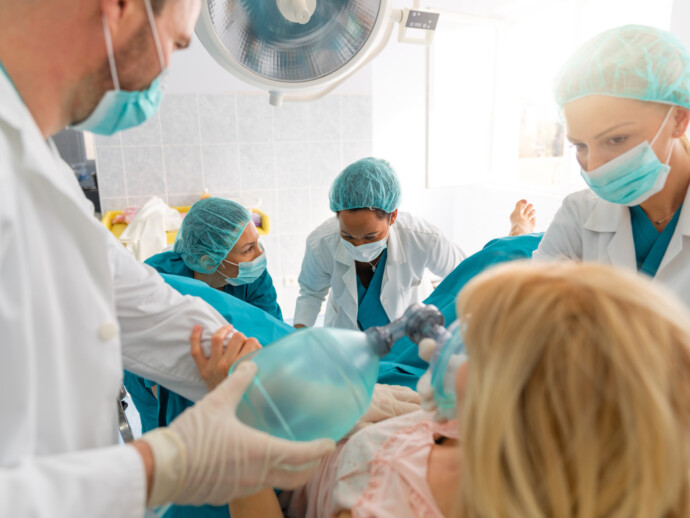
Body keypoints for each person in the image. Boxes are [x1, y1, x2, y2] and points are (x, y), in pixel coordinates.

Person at [0, 1, 336, 515]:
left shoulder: (38, 162)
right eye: (178, 44)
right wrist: (163, 465)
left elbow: (148, 311)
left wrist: (318, 390)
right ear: (120, 8)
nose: (167, 70)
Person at [229, 261, 690, 518]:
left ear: (523, 400)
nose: (456, 347)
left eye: (480, 345)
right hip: (367, 414)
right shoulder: (514, 439)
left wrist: (239, 430)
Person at [125, 197, 284, 518]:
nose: (259, 255)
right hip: (157, 379)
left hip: (232, 369)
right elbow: (143, 345)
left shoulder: (252, 278)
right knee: (174, 444)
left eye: (257, 243)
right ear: (208, 259)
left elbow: (271, 334)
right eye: (248, 250)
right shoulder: (159, 278)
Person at [534, 24, 690, 307]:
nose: (593, 167)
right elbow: (535, 317)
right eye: (580, 145)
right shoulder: (578, 215)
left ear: (678, 119)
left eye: (616, 139)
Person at [294, 157, 466, 331]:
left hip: (409, 337)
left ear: (393, 216)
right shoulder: (321, 243)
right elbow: (311, 294)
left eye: (370, 237)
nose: (358, 246)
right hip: (345, 338)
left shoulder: (424, 238)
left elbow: (467, 277)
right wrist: (297, 338)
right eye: (347, 236)